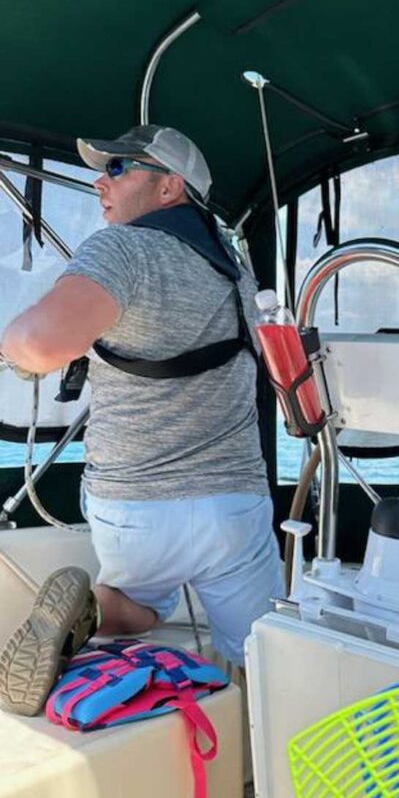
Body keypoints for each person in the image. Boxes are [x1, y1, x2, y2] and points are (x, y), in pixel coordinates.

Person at [0, 125, 282, 715]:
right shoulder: (237, 275)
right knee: (266, 656)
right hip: (233, 506)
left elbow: (37, 343)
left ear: (169, 188)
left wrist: (14, 352)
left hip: (132, 508)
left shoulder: (123, 249)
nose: (101, 181)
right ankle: (266, 773)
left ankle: (95, 611)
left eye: (120, 169)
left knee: (142, 601)